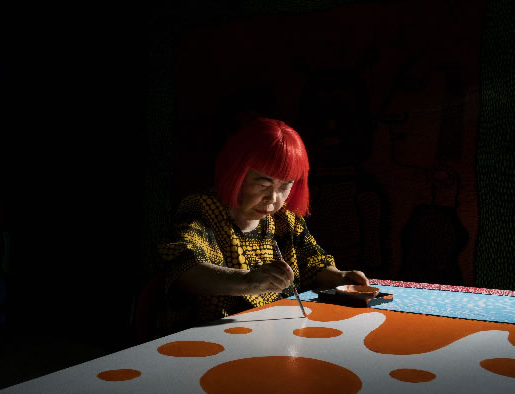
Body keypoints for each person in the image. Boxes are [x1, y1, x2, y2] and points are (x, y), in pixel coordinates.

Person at [158, 117, 369, 333]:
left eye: (284, 187)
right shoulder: (202, 209)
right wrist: (250, 281)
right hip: (205, 340)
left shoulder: (284, 220)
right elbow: (184, 270)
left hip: (272, 335)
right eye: (262, 185)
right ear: (236, 174)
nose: (273, 199)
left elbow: (312, 263)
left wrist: (340, 278)